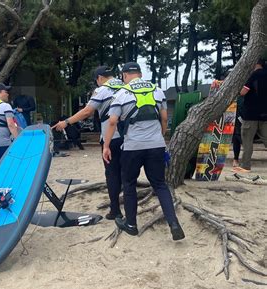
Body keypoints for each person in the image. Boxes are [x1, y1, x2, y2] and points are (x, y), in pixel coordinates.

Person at [102, 62, 185, 241]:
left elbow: (112, 121)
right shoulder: (157, 90)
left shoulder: (122, 94)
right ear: (139, 74)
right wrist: (160, 137)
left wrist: (106, 146)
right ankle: (174, 223)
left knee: (129, 183)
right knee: (160, 184)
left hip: (132, 147)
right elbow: (164, 118)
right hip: (156, 145)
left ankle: (131, 224)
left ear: (124, 76)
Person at [53, 66, 124, 220]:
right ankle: (130, 209)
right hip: (130, 137)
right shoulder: (126, 86)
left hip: (110, 138)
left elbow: (87, 111)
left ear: (99, 78)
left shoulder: (102, 90)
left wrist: (66, 122)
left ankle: (115, 210)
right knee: (126, 173)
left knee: (112, 174)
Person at [236, 59, 267, 172]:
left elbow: (243, 92)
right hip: (265, 114)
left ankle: (245, 166)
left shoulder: (254, 75)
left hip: (251, 114)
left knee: (247, 141)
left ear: (256, 64)